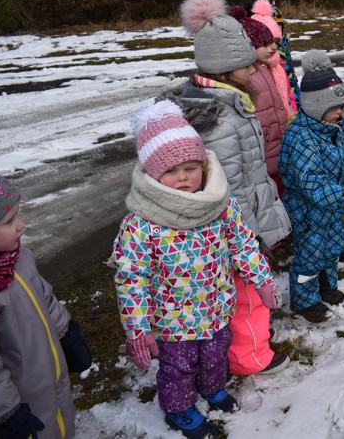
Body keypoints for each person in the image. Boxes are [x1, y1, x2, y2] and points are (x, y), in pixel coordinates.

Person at [112, 101, 282, 438]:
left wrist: (260, 278)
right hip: (172, 321)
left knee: (216, 354)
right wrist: (138, 326)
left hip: (218, 307)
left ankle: (212, 388)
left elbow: (243, 244)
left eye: (191, 168)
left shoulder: (220, 205)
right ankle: (178, 408)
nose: (183, 178)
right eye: (171, 171)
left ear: (203, 165)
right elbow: (131, 278)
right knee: (178, 366)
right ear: (152, 174)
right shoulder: (141, 224)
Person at [159, 0, 291, 379]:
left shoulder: (228, 103)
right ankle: (250, 358)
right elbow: (226, 186)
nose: (256, 70)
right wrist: (245, 237)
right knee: (246, 296)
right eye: (248, 64)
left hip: (243, 222)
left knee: (243, 295)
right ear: (226, 68)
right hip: (235, 228)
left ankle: (243, 345)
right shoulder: (219, 119)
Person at [0, 169, 92, 439]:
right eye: (8, 221)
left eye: (18, 215)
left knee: (60, 420)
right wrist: (5, 412)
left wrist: (67, 333)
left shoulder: (19, 258)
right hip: (17, 399)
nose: (22, 225)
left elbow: (45, 297)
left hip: (48, 373)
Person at [278, 50, 344, 323]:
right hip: (308, 210)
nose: (339, 112)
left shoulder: (333, 129)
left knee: (333, 247)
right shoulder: (300, 136)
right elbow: (311, 181)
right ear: (314, 106)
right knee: (310, 255)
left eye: (341, 107)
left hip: (331, 206)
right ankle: (304, 300)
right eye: (333, 108)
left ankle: (327, 286)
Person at [228, 1, 295, 198]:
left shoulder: (268, 67)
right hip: (263, 149)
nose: (273, 48)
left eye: (275, 42)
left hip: (278, 142)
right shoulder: (247, 75)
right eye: (266, 44)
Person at [269, 2, 300, 106]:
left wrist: (296, 91)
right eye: (274, 26)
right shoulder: (268, 51)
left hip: (291, 91)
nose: (278, 29)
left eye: (280, 25)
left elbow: (290, 69)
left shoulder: (284, 44)